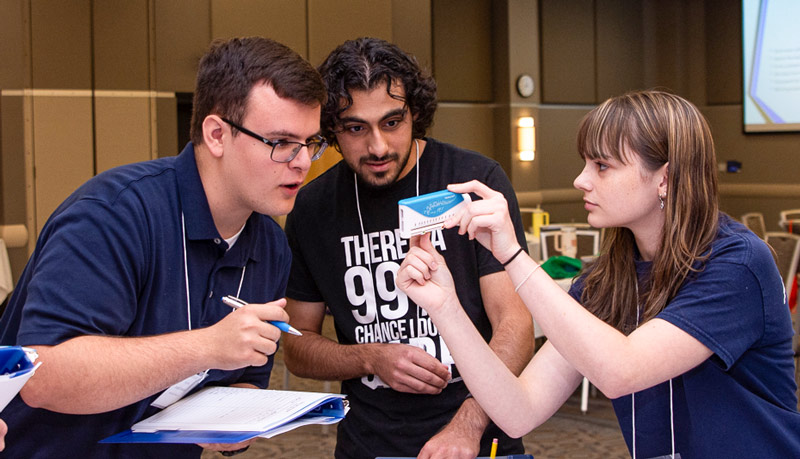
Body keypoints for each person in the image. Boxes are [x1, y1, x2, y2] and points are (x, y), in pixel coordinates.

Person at [397, 89, 800, 458]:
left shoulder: (736, 263)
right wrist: (446, 307)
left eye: (602, 166)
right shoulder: (604, 283)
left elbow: (623, 370)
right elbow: (519, 410)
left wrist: (514, 256)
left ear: (666, 177)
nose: (580, 180)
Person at [0, 36, 327, 458]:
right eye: (282, 143)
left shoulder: (270, 246)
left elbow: (245, 379)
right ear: (216, 135)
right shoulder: (113, 214)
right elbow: (45, 377)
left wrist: (237, 423)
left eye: (311, 143)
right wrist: (207, 346)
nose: (302, 161)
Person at [282, 37, 534, 459]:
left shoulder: (472, 181)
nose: (377, 147)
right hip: (370, 443)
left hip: (482, 437)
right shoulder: (312, 208)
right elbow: (297, 347)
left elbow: (515, 323)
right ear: (332, 128)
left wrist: (468, 424)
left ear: (415, 114)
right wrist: (370, 358)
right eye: (355, 128)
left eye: (392, 122)